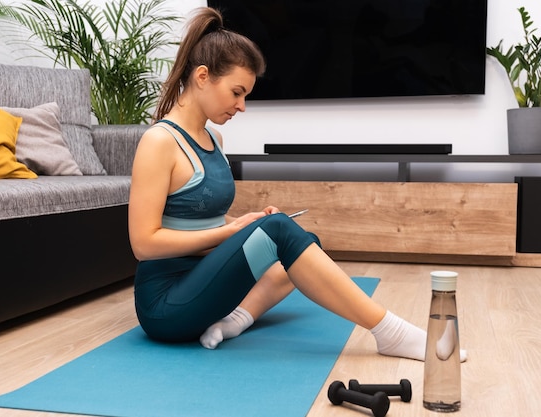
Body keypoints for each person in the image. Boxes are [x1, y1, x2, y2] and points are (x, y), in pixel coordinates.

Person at [128, 6, 466, 362]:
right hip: (167, 305)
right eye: (237, 92)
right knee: (281, 235)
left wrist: (246, 224)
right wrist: (233, 233)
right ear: (202, 77)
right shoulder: (160, 142)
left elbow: (201, 219)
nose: (242, 106)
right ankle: (390, 332)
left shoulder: (214, 140)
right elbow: (144, 244)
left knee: (302, 244)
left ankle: (234, 321)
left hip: (204, 284)